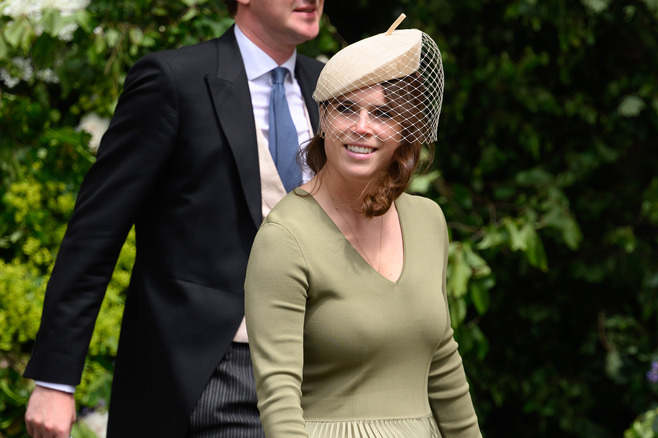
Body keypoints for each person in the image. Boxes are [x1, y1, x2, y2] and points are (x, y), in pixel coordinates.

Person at [23, 0, 325, 436]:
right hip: (214, 371)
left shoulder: (331, 90)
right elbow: (96, 230)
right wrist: (56, 378)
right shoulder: (174, 81)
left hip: (321, 370)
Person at [244, 15, 482, 437]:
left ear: (404, 130)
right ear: (322, 117)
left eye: (383, 113)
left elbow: (442, 359)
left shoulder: (428, 220)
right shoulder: (285, 237)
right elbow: (278, 394)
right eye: (346, 108)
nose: (362, 127)